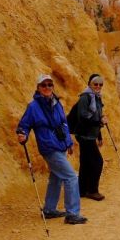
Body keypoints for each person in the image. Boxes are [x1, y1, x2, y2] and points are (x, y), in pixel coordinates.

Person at [16, 74, 87, 225]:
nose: (47, 88)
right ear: (38, 88)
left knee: (57, 177)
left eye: (49, 85)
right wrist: (22, 134)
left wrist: (68, 143)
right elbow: (24, 125)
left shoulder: (56, 103)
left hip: (60, 146)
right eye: (44, 85)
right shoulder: (33, 107)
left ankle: (49, 209)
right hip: (49, 148)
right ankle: (72, 213)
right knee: (71, 177)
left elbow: (64, 124)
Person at [75, 74, 108, 201]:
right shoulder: (85, 97)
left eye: (100, 84)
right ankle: (92, 190)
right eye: (95, 84)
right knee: (97, 162)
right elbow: (83, 118)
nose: (98, 86)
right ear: (89, 84)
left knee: (85, 162)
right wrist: (99, 124)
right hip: (84, 135)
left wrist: (98, 135)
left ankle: (82, 190)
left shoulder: (97, 97)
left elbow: (97, 116)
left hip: (89, 135)